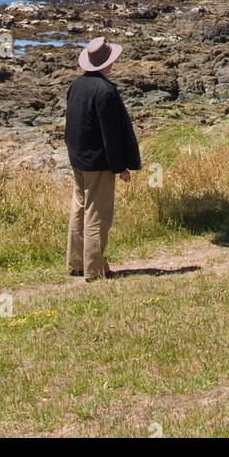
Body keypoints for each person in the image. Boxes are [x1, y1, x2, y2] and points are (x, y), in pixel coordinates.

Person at [65, 36, 141, 281]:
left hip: (78, 158)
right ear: (108, 62)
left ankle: (77, 263)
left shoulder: (77, 85)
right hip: (98, 162)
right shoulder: (105, 91)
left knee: (79, 210)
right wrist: (121, 167)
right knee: (98, 215)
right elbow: (111, 135)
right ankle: (94, 269)